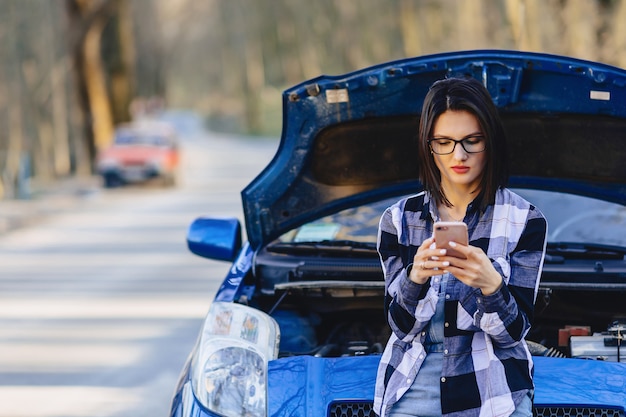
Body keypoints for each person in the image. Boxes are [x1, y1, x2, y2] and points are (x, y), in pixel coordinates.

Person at [373, 77, 547, 417]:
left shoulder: (524, 220)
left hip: (493, 387)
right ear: (428, 145)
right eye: (444, 142)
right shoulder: (398, 220)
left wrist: (490, 285)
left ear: (491, 142)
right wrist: (415, 280)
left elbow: (513, 334)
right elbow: (401, 328)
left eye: (472, 141)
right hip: (411, 382)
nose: (459, 155)